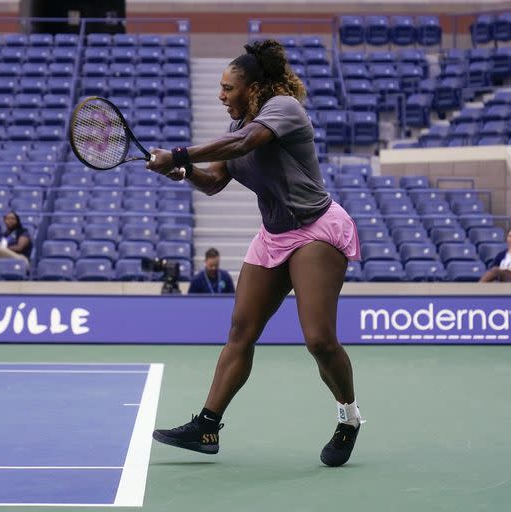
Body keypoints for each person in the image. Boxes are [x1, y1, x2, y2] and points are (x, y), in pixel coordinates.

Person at [146, 39, 363, 467]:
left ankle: (349, 417)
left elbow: (246, 144)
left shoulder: (283, 108)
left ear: (253, 87)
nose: (221, 96)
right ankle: (207, 425)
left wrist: (180, 152)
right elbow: (214, 182)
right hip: (273, 235)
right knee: (240, 332)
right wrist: (184, 171)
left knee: (319, 340)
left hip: (315, 228)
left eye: (228, 88)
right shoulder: (235, 129)